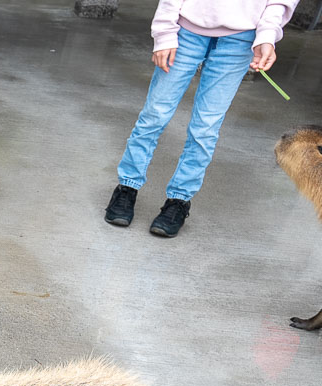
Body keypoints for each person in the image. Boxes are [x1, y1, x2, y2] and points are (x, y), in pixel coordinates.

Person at [104, 0, 298, 237]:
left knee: (205, 127)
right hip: (186, 30)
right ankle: (127, 187)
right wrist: (165, 32)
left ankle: (179, 200)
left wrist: (267, 35)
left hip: (241, 39)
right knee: (154, 115)